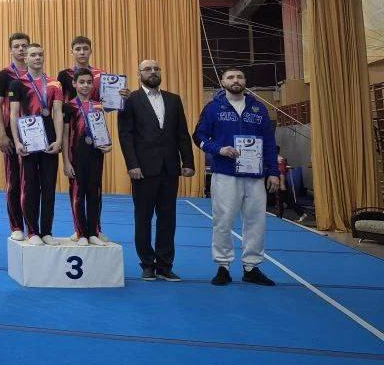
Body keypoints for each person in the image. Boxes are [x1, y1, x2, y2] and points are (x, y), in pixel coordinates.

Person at [194, 67, 279, 287]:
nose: (235, 80)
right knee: (223, 221)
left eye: (239, 77)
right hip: (225, 173)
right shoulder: (213, 108)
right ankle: (223, 266)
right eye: (230, 77)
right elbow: (199, 135)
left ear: (245, 81)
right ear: (222, 82)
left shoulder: (259, 108)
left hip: (255, 175)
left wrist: (273, 172)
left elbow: (269, 142)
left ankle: (251, 267)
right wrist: (218, 149)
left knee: (256, 221)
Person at [118, 60, 196, 281]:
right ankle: (147, 264)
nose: (152, 72)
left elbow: (182, 134)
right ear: (139, 74)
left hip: (170, 168)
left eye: (156, 69)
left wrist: (188, 162)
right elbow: (125, 135)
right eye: (147, 69)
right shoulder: (130, 100)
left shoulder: (174, 99)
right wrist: (132, 164)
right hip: (143, 169)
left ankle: (165, 265)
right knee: (143, 218)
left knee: (168, 219)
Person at [8, 44, 64, 245]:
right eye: (33, 55)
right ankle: (32, 231)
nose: (37, 58)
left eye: (40, 54)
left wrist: (59, 140)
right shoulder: (17, 84)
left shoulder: (55, 84)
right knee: (30, 187)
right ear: (26, 58)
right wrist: (17, 141)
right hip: (28, 142)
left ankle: (47, 231)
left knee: (49, 188)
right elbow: (13, 115)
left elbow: (57, 113)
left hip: (49, 141)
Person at [62, 68, 111, 246]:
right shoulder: (69, 106)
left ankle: (93, 233)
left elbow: (102, 130)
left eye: (89, 82)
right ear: (74, 83)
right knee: (78, 194)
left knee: (94, 194)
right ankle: (81, 233)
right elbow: (65, 136)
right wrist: (66, 162)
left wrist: (107, 145)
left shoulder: (98, 106)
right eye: (81, 82)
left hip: (95, 155)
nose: (85, 86)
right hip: (76, 156)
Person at [0, 32, 30, 240]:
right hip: (11, 134)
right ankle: (16, 226)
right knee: (14, 181)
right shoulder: (3, 76)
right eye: (17, 46)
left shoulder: (37, 75)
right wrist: (2, 134)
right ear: (11, 50)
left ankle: (33, 227)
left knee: (32, 182)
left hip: (35, 135)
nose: (21, 49)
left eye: (24, 46)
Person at [56, 35, 130, 105]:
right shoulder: (64, 74)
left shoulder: (101, 75)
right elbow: (59, 104)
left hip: (97, 113)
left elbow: (107, 106)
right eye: (78, 49)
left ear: (90, 51)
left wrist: (121, 98)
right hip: (71, 114)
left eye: (85, 49)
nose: (82, 52)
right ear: (72, 52)